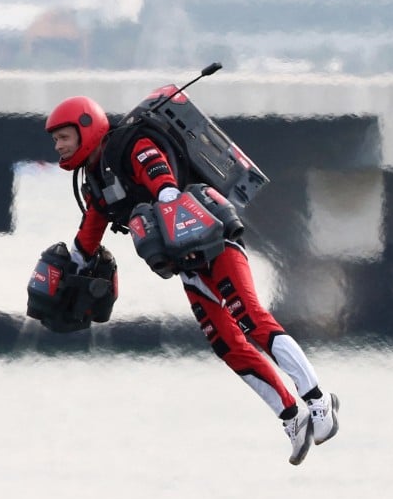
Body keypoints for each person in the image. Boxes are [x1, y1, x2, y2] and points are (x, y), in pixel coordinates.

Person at [44, 94, 339, 465]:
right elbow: (88, 236)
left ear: (86, 128)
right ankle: (291, 416)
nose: (58, 146)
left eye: (62, 137)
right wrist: (61, 274)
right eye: (55, 140)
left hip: (214, 241)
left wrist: (166, 205)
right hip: (187, 263)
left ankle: (317, 399)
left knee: (251, 320)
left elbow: (164, 184)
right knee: (227, 345)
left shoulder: (130, 143)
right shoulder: (96, 182)